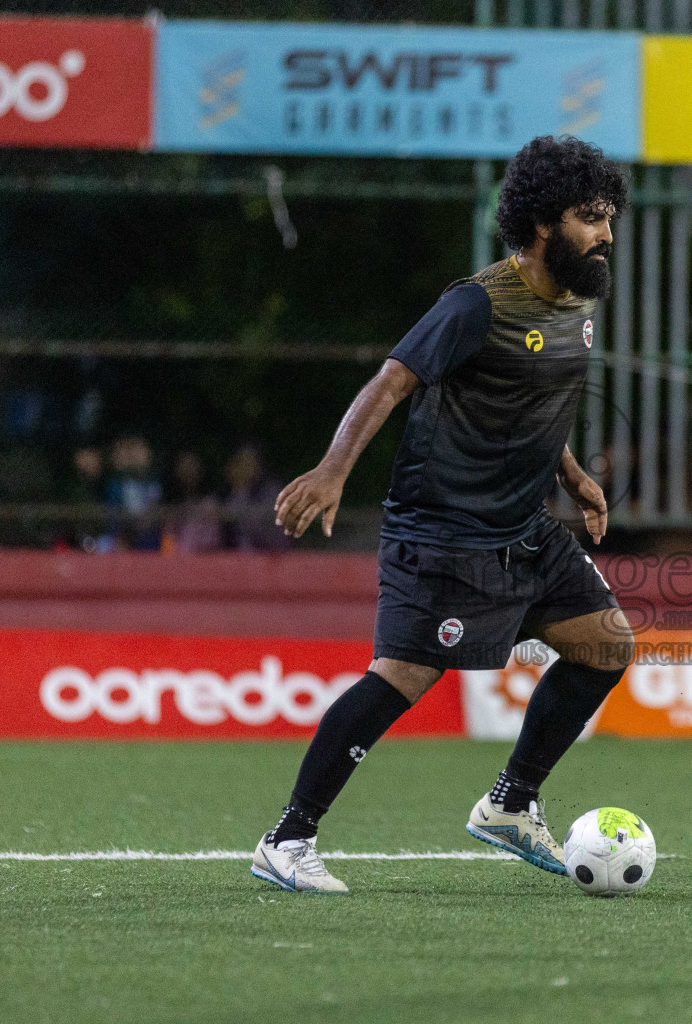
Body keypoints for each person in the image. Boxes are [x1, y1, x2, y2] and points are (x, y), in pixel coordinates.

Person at [250, 135, 634, 894]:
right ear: (540, 224)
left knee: (606, 645)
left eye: (611, 217)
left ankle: (510, 805)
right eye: (591, 217)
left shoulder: (580, 301)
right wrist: (332, 471)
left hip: (524, 529)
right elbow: (391, 382)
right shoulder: (475, 303)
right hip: (446, 534)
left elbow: (534, 400)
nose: (607, 234)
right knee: (402, 677)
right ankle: (287, 839)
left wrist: (572, 473)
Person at [221, 443, 287, 552]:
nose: (245, 468)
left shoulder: (271, 492)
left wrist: (234, 514)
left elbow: (274, 532)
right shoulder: (220, 495)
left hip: (266, 558)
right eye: (241, 462)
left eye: (250, 463)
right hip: (227, 560)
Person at [163, 450, 223, 554]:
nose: (188, 470)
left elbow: (214, 542)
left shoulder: (210, 504)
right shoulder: (169, 504)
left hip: (206, 560)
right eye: (184, 466)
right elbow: (167, 541)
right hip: (176, 560)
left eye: (192, 465)